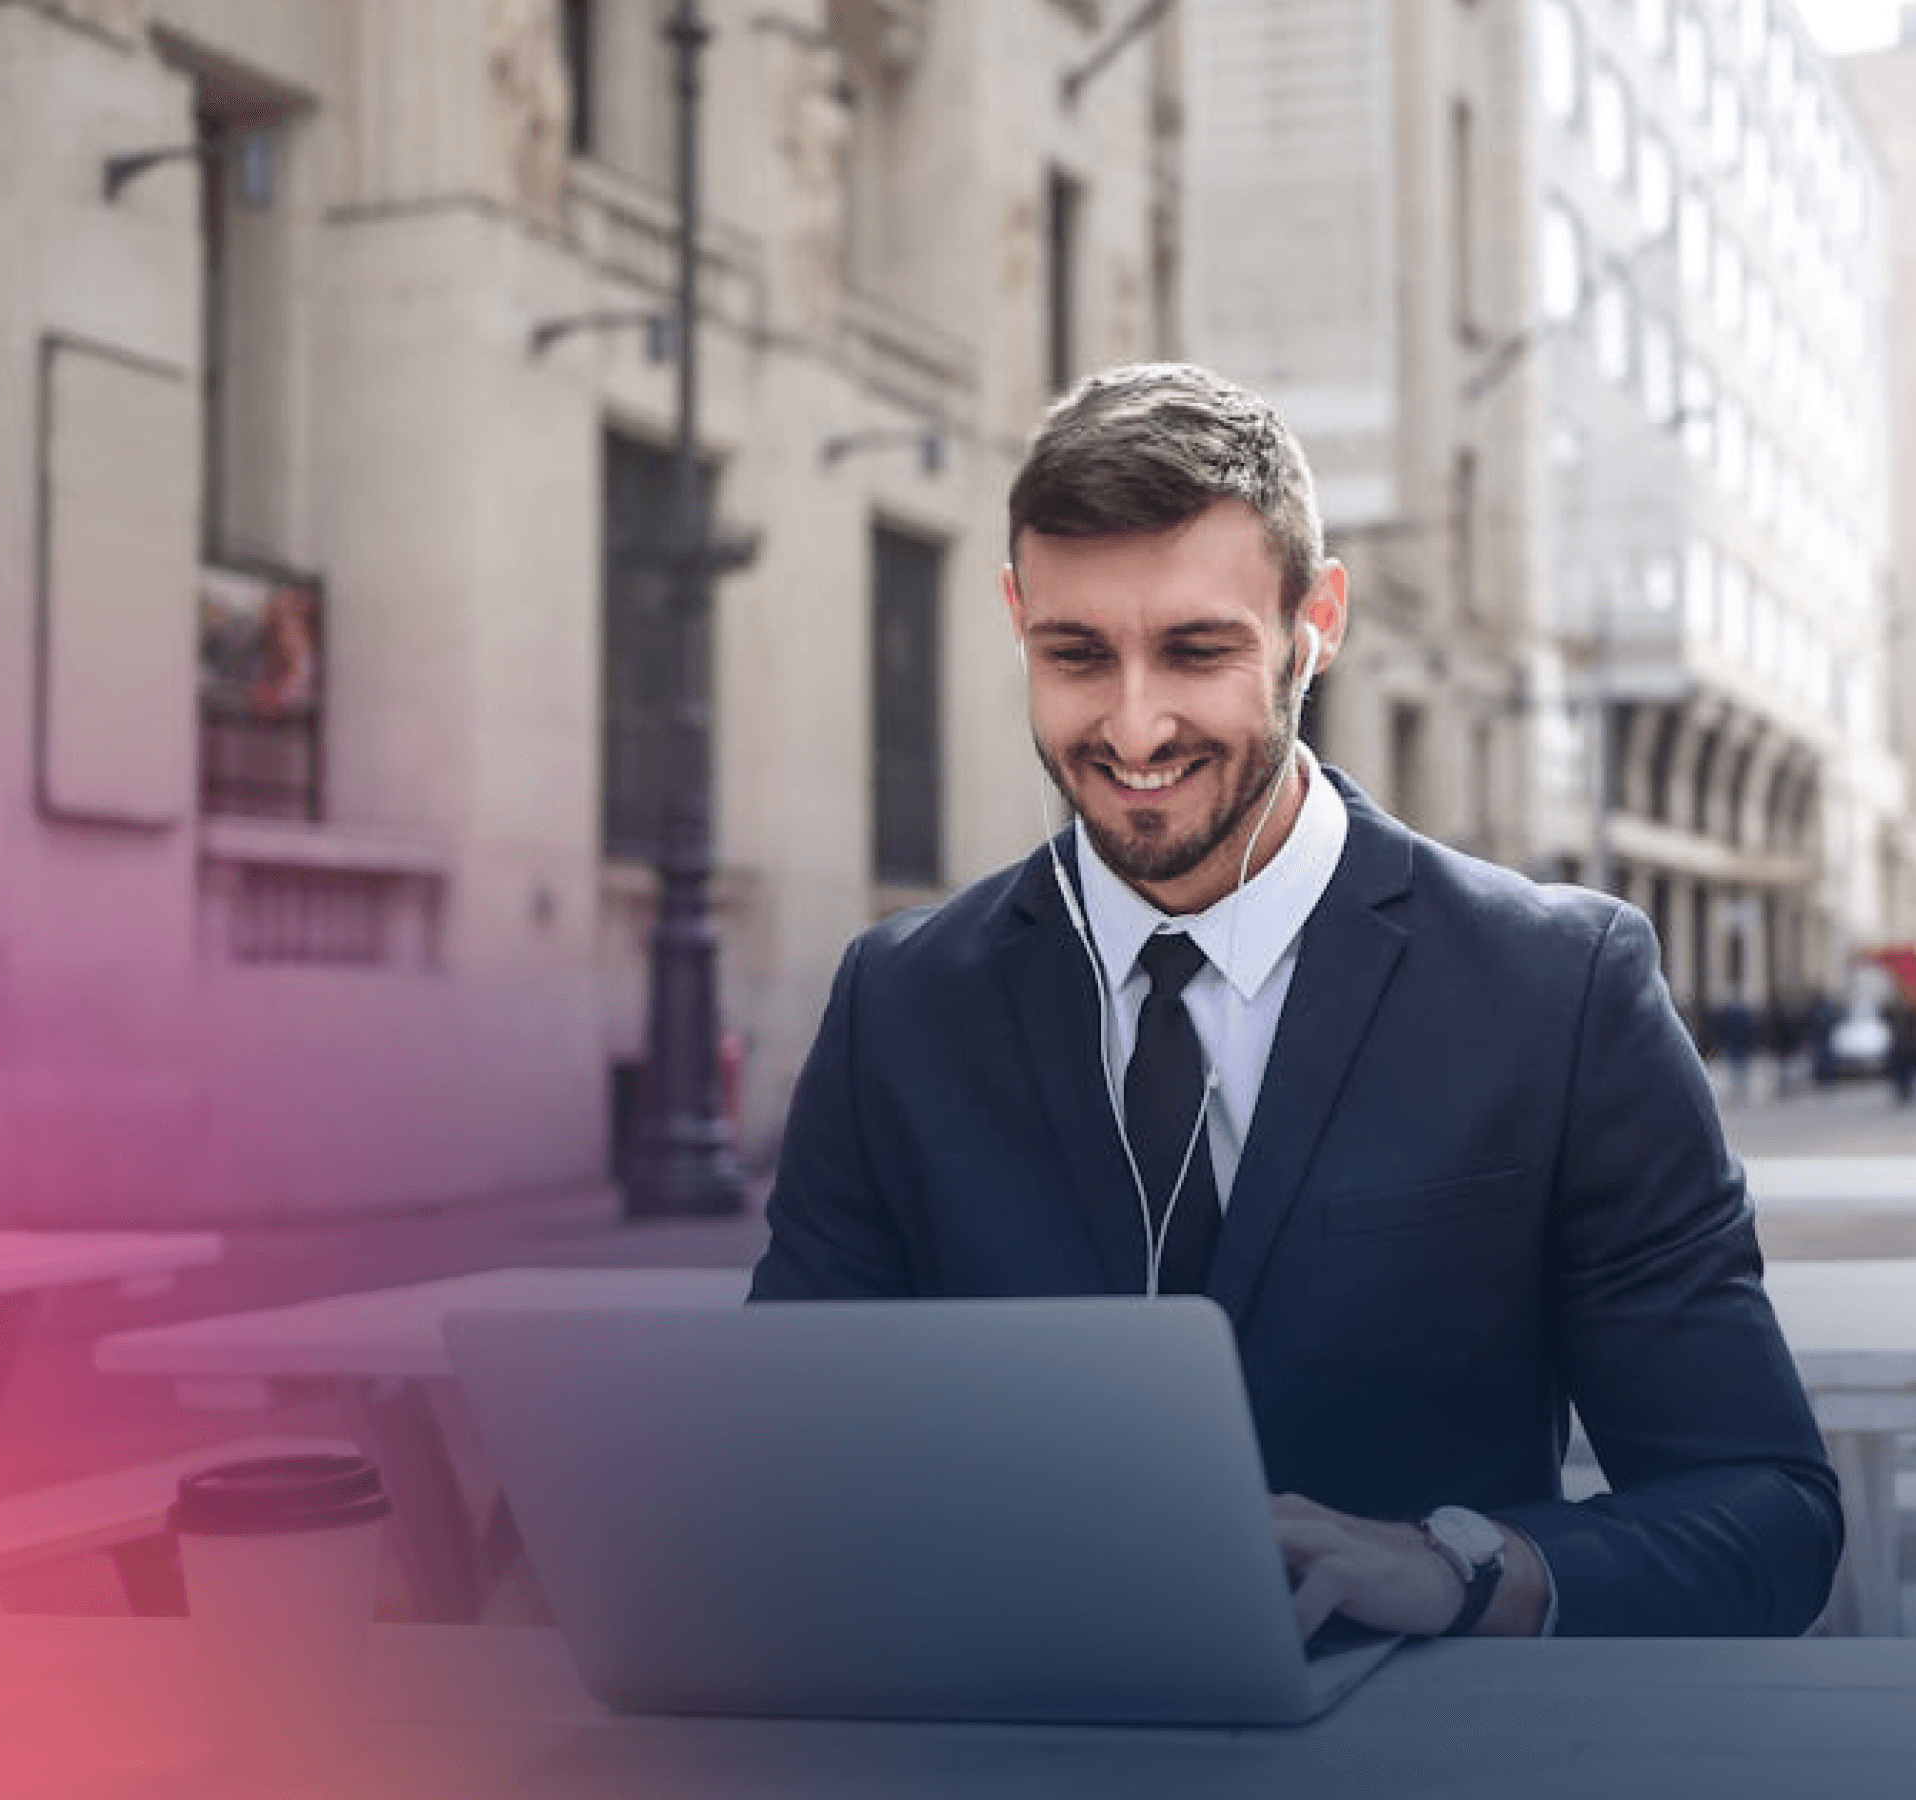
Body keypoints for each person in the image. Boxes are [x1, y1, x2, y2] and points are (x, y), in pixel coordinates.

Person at [750, 363, 1842, 1641]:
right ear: (1015, 617)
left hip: (1415, 1747)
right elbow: (788, 1459)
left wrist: (1462, 1570)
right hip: (1003, 1732)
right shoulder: (901, 1001)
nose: (1135, 725)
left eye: (1198, 651)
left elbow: (1765, 1508)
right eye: (1077, 654)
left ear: (1317, 619)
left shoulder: (1560, 991)